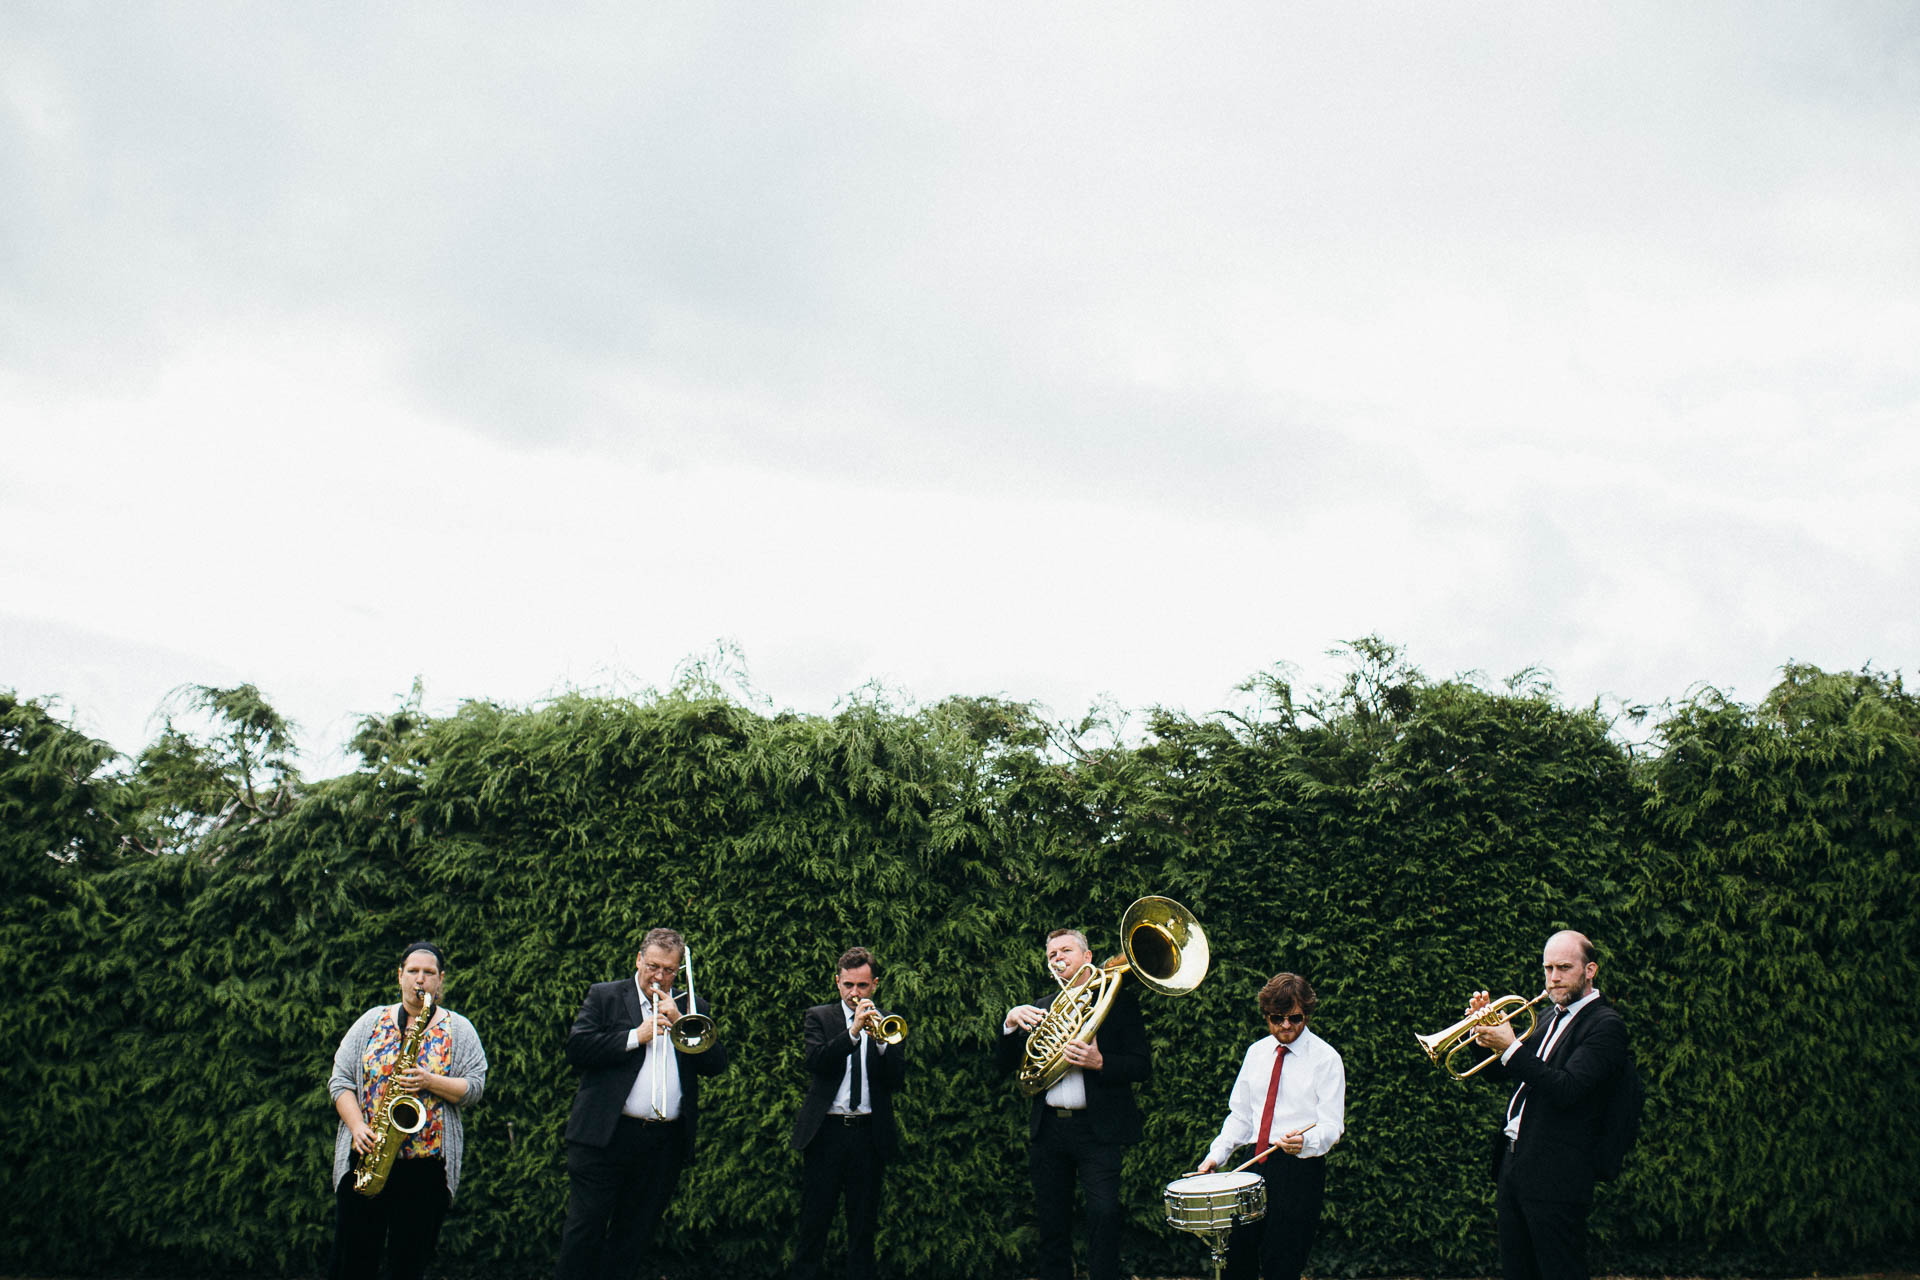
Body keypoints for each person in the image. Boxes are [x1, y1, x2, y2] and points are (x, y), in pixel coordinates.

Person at [555, 927, 732, 1280]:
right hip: (606, 1137)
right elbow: (577, 1049)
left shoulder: (692, 1006)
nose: (660, 977)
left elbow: (715, 1065)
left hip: (662, 1142)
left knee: (634, 1236)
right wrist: (636, 1036)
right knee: (585, 1230)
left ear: (679, 969)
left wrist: (681, 1021)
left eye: (669, 970)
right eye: (653, 966)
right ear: (638, 960)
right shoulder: (606, 996)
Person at [1468, 930, 1632, 1280]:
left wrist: (1511, 1046)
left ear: (1590, 970)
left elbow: (1567, 1089)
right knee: (1518, 1271)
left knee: (1560, 1271)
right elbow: (1503, 1072)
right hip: (1515, 1163)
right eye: (1548, 968)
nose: (1554, 977)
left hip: (1557, 1171)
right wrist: (1483, 1037)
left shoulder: (1606, 1026)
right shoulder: (1545, 1016)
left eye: (1564, 968)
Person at [327, 941, 489, 1280]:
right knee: (352, 1264)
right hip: (367, 1157)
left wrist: (429, 1080)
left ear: (440, 979)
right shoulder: (371, 1021)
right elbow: (340, 1081)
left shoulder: (459, 1029)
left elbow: (474, 1087)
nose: (420, 979)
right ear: (399, 976)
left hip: (425, 1169)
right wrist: (357, 1127)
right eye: (413, 971)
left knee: (408, 1267)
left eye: (429, 973)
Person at [996, 927, 1151, 1280]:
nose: (1059, 958)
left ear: (1087, 957)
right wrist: (1009, 1023)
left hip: (1097, 1130)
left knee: (1104, 1215)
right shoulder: (1040, 1008)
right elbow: (1005, 1066)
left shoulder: (1119, 1003)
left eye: (1066, 950)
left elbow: (1142, 1066)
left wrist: (1100, 1062)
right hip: (1050, 1129)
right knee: (1051, 1223)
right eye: (1052, 955)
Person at [1195, 972, 1345, 1280]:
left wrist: (1305, 1142)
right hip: (1253, 1165)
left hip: (1299, 1169)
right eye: (1277, 1018)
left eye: (1295, 1018)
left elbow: (1332, 1125)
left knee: (1283, 1266)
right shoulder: (1256, 1053)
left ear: (1306, 1014)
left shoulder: (1326, 1059)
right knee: (1237, 1261)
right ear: (1266, 1015)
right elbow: (1240, 1116)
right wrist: (1216, 1155)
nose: (1286, 1026)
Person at [788, 946, 910, 1280]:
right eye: (848, 985)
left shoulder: (889, 1022)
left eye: (862, 986)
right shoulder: (819, 1017)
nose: (855, 993)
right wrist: (853, 1032)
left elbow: (896, 1080)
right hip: (826, 1133)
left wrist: (883, 1043)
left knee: (863, 1225)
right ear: (837, 982)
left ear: (875, 985)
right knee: (814, 1221)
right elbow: (816, 1062)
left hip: (869, 1134)